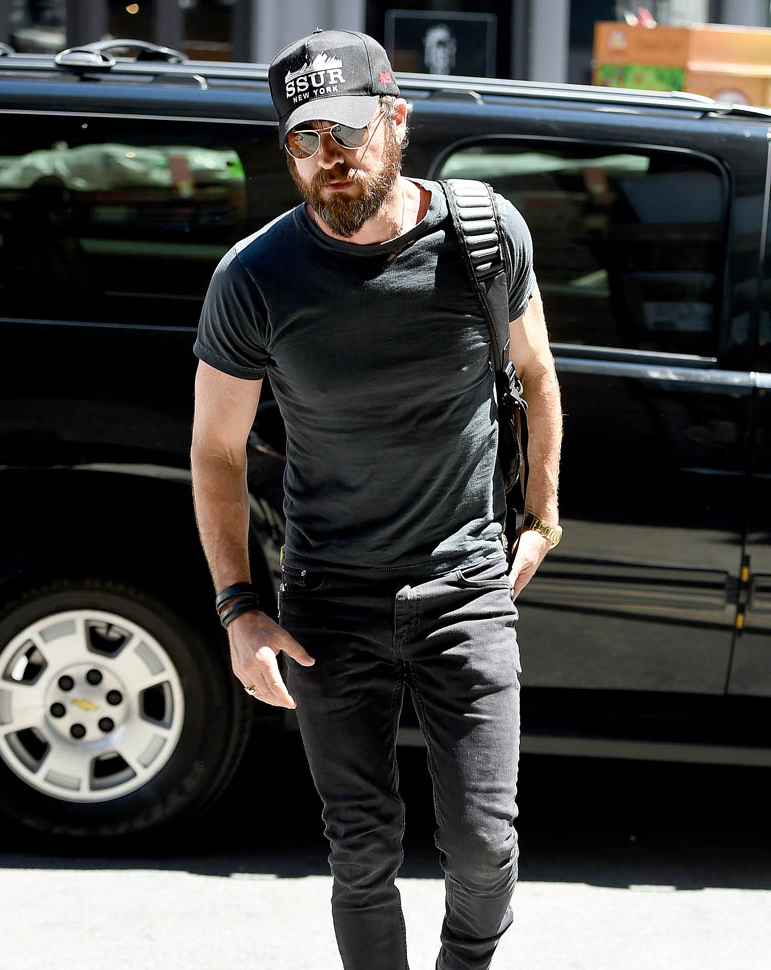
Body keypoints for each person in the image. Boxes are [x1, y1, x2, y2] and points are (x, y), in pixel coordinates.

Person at [190, 27, 562, 970]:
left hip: (463, 590)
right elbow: (217, 450)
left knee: (483, 848)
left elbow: (536, 374)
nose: (330, 157)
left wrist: (541, 517)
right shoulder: (255, 277)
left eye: (348, 130)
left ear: (397, 120)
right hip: (329, 598)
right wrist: (239, 609)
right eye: (305, 139)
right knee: (360, 853)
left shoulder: (484, 236)